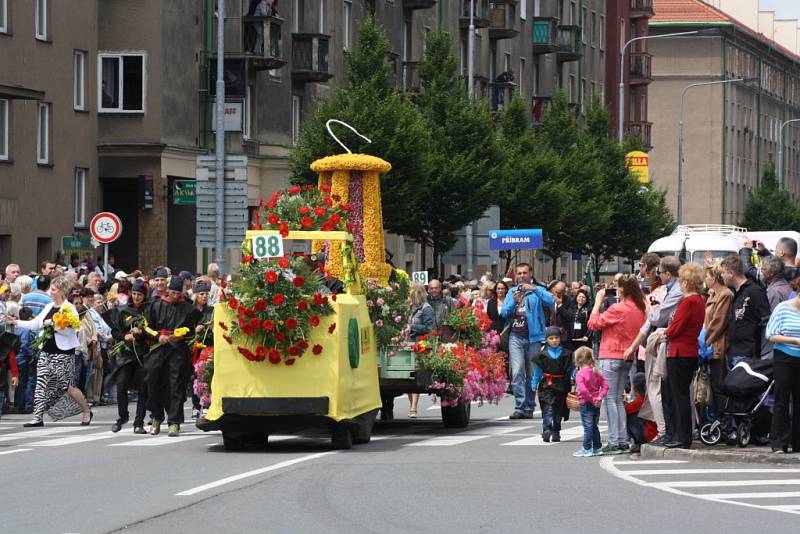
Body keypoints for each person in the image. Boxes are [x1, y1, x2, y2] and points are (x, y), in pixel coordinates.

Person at [5, 276, 92, 427]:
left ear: (62, 291)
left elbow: (72, 331)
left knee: (67, 386)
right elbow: (35, 324)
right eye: (51, 289)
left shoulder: (69, 308)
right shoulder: (48, 306)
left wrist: (53, 325)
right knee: (41, 383)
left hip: (63, 352)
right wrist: (15, 322)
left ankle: (86, 411)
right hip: (46, 350)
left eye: (53, 289)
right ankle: (37, 417)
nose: (50, 292)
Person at [588, 275, 646, 454]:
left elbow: (593, 324)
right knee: (618, 399)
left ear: (622, 290)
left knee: (610, 399)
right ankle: (621, 439)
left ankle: (615, 440)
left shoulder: (618, 308)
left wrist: (598, 302)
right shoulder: (640, 308)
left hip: (611, 353)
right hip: (628, 355)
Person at [143, 276, 199, 437]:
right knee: (153, 382)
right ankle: (156, 417)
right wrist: (157, 336)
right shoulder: (156, 305)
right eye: (172, 292)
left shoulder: (188, 309)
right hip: (159, 347)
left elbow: (192, 332)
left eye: (177, 293)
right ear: (168, 291)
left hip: (178, 350)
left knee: (176, 386)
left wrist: (182, 336)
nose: (175, 295)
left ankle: (174, 422)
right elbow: (146, 326)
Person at [500, 263, 555, 419]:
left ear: (530, 273)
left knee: (532, 374)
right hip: (515, 337)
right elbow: (504, 313)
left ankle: (529, 406)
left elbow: (551, 301)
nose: (522, 276)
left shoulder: (537, 290)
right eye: (519, 273)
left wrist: (535, 289)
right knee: (517, 372)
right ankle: (520, 406)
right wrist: (514, 302)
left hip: (534, 338)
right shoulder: (512, 291)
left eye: (525, 273)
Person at [663, 263, 706, 449]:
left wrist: (665, 332)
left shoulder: (688, 302)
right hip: (690, 350)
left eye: (682, 280)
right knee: (682, 395)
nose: (680, 283)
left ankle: (682, 436)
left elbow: (675, 328)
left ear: (687, 282)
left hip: (679, 351)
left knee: (678, 396)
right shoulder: (699, 301)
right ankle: (683, 435)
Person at [107, 280, 150, 434]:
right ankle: (122, 416)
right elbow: (114, 331)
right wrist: (124, 336)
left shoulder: (149, 311)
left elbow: (154, 331)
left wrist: (141, 333)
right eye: (135, 294)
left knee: (143, 389)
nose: (137, 297)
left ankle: (139, 422)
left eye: (140, 295)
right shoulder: (123, 311)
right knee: (121, 386)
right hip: (125, 355)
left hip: (143, 354)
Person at [764, 291, 800, 454]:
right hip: (784, 357)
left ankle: (797, 441)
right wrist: (794, 340)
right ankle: (779, 441)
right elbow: (770, 334)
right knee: (782, 399)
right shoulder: (782, 308)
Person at [721, 254, 771, 367]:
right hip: (733, 351)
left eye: (723, 272)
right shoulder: (736, 292)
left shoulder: (754, 291)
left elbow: (766, 321)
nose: (721, 275)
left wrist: (762, 354)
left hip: (747, 353)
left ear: (731, 273)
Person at [532, 326, 573, 442]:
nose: (554, 340)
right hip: (547, 384)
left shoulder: (567, 354)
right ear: (547, 340)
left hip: (562, 384)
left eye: (556, 338)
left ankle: (556, 431)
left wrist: (574, 381)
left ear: (560, 339)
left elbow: (570, 370)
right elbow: (538, 371)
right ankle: (547, 429)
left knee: (559, 409)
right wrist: (534, 382)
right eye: (551, 338)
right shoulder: (542, 355)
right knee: (547, 407)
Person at [703, 260, 734, 417]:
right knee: (714, 385)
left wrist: (704, 342)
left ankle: (724, 421)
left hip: (717, 346)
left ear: (714, 278)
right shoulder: (714, 294)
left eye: (707, 276)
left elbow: (718, 322)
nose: (705, 279)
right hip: (710, 345)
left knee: (719, 384)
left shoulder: (725, 295)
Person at [573, 347, 608, 458]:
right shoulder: (596, 372)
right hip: (596, 403)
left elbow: (582, 390)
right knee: (594, 426)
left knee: (587, 426)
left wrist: (592, 399)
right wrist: (599, 397)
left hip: (586, 403)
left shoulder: (580, 374)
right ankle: (597, 447)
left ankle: (587, 448)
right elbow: (605, 386)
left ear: (578, 360)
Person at [405, 282, 433, 419]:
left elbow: (429, 328)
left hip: (421, 344)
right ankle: (411, 404)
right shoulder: (410, 307)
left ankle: (414, 406)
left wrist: (412, 327)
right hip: (409, 343)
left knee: (415, 375)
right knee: (409, 375)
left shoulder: (426, 308)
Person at [190, 281, 214, 420]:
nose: (204, 296)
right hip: (193, 348)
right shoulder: (190, 311)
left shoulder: (211, 311)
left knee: (204, 376)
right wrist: (195, 330)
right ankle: (195, 405)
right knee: (193, 377)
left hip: (207, 347)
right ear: (196, 296)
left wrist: (210, 328)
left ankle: (205, 404)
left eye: (206, 294)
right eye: (201, 294)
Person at [624, 372, 658, 453]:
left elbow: (623, 410)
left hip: (649, 435)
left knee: (626, 413)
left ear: (634, 388)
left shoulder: (640, 401)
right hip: (655, 433)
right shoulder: (650, 398)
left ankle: (638, 441)